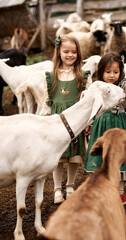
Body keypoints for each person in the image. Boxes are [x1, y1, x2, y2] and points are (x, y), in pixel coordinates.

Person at [84, 52, 126, 205]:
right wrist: (89, 124)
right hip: (101, 127)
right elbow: (91, 108)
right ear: (101, 72)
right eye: (108, 71)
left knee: (119, 157)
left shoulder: (123, 85)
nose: (112, 75)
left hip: (119, 125)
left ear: (121, 72)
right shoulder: (97, 87)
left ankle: (120, 192)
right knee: (102, 157)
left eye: (115, 72)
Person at [41, 35, 92, 204]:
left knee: (74, 156)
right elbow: (47, 100)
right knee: (59, 157)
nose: (70, 55)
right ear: (59, 52)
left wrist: (88, 122)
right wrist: (45, 118)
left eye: (74, 52)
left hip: (76, 122)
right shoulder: (51, 76)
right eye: (66, 52)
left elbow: (88, 101)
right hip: (58, 121)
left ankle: (70, 186)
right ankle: (57, 189)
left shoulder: (83, 76)